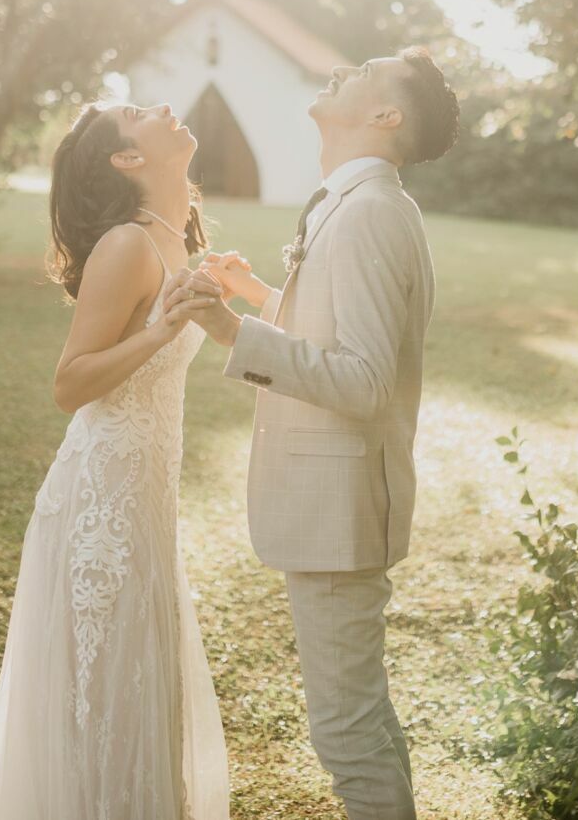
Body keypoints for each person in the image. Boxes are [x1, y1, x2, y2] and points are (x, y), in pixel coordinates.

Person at [177, 48, 460, 820]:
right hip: (334, 506)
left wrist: (229, 329)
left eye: (365, 71)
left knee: (347, 731)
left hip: (340, 514)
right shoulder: (360, 202)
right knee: (361, 720)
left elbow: (364, 381)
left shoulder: (371, 211)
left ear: (386, 115)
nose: (344, 70)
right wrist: (262, 298)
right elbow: (343, 335)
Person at [0, 100, 230, 820]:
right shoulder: (126, 246)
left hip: (147, 501)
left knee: (135, 687)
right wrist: (160, 328)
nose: (167, 107)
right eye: (142, 111)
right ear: (126, 159)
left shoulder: (174, 241)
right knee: (98, 696)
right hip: (100, 507)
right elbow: (69, 382)